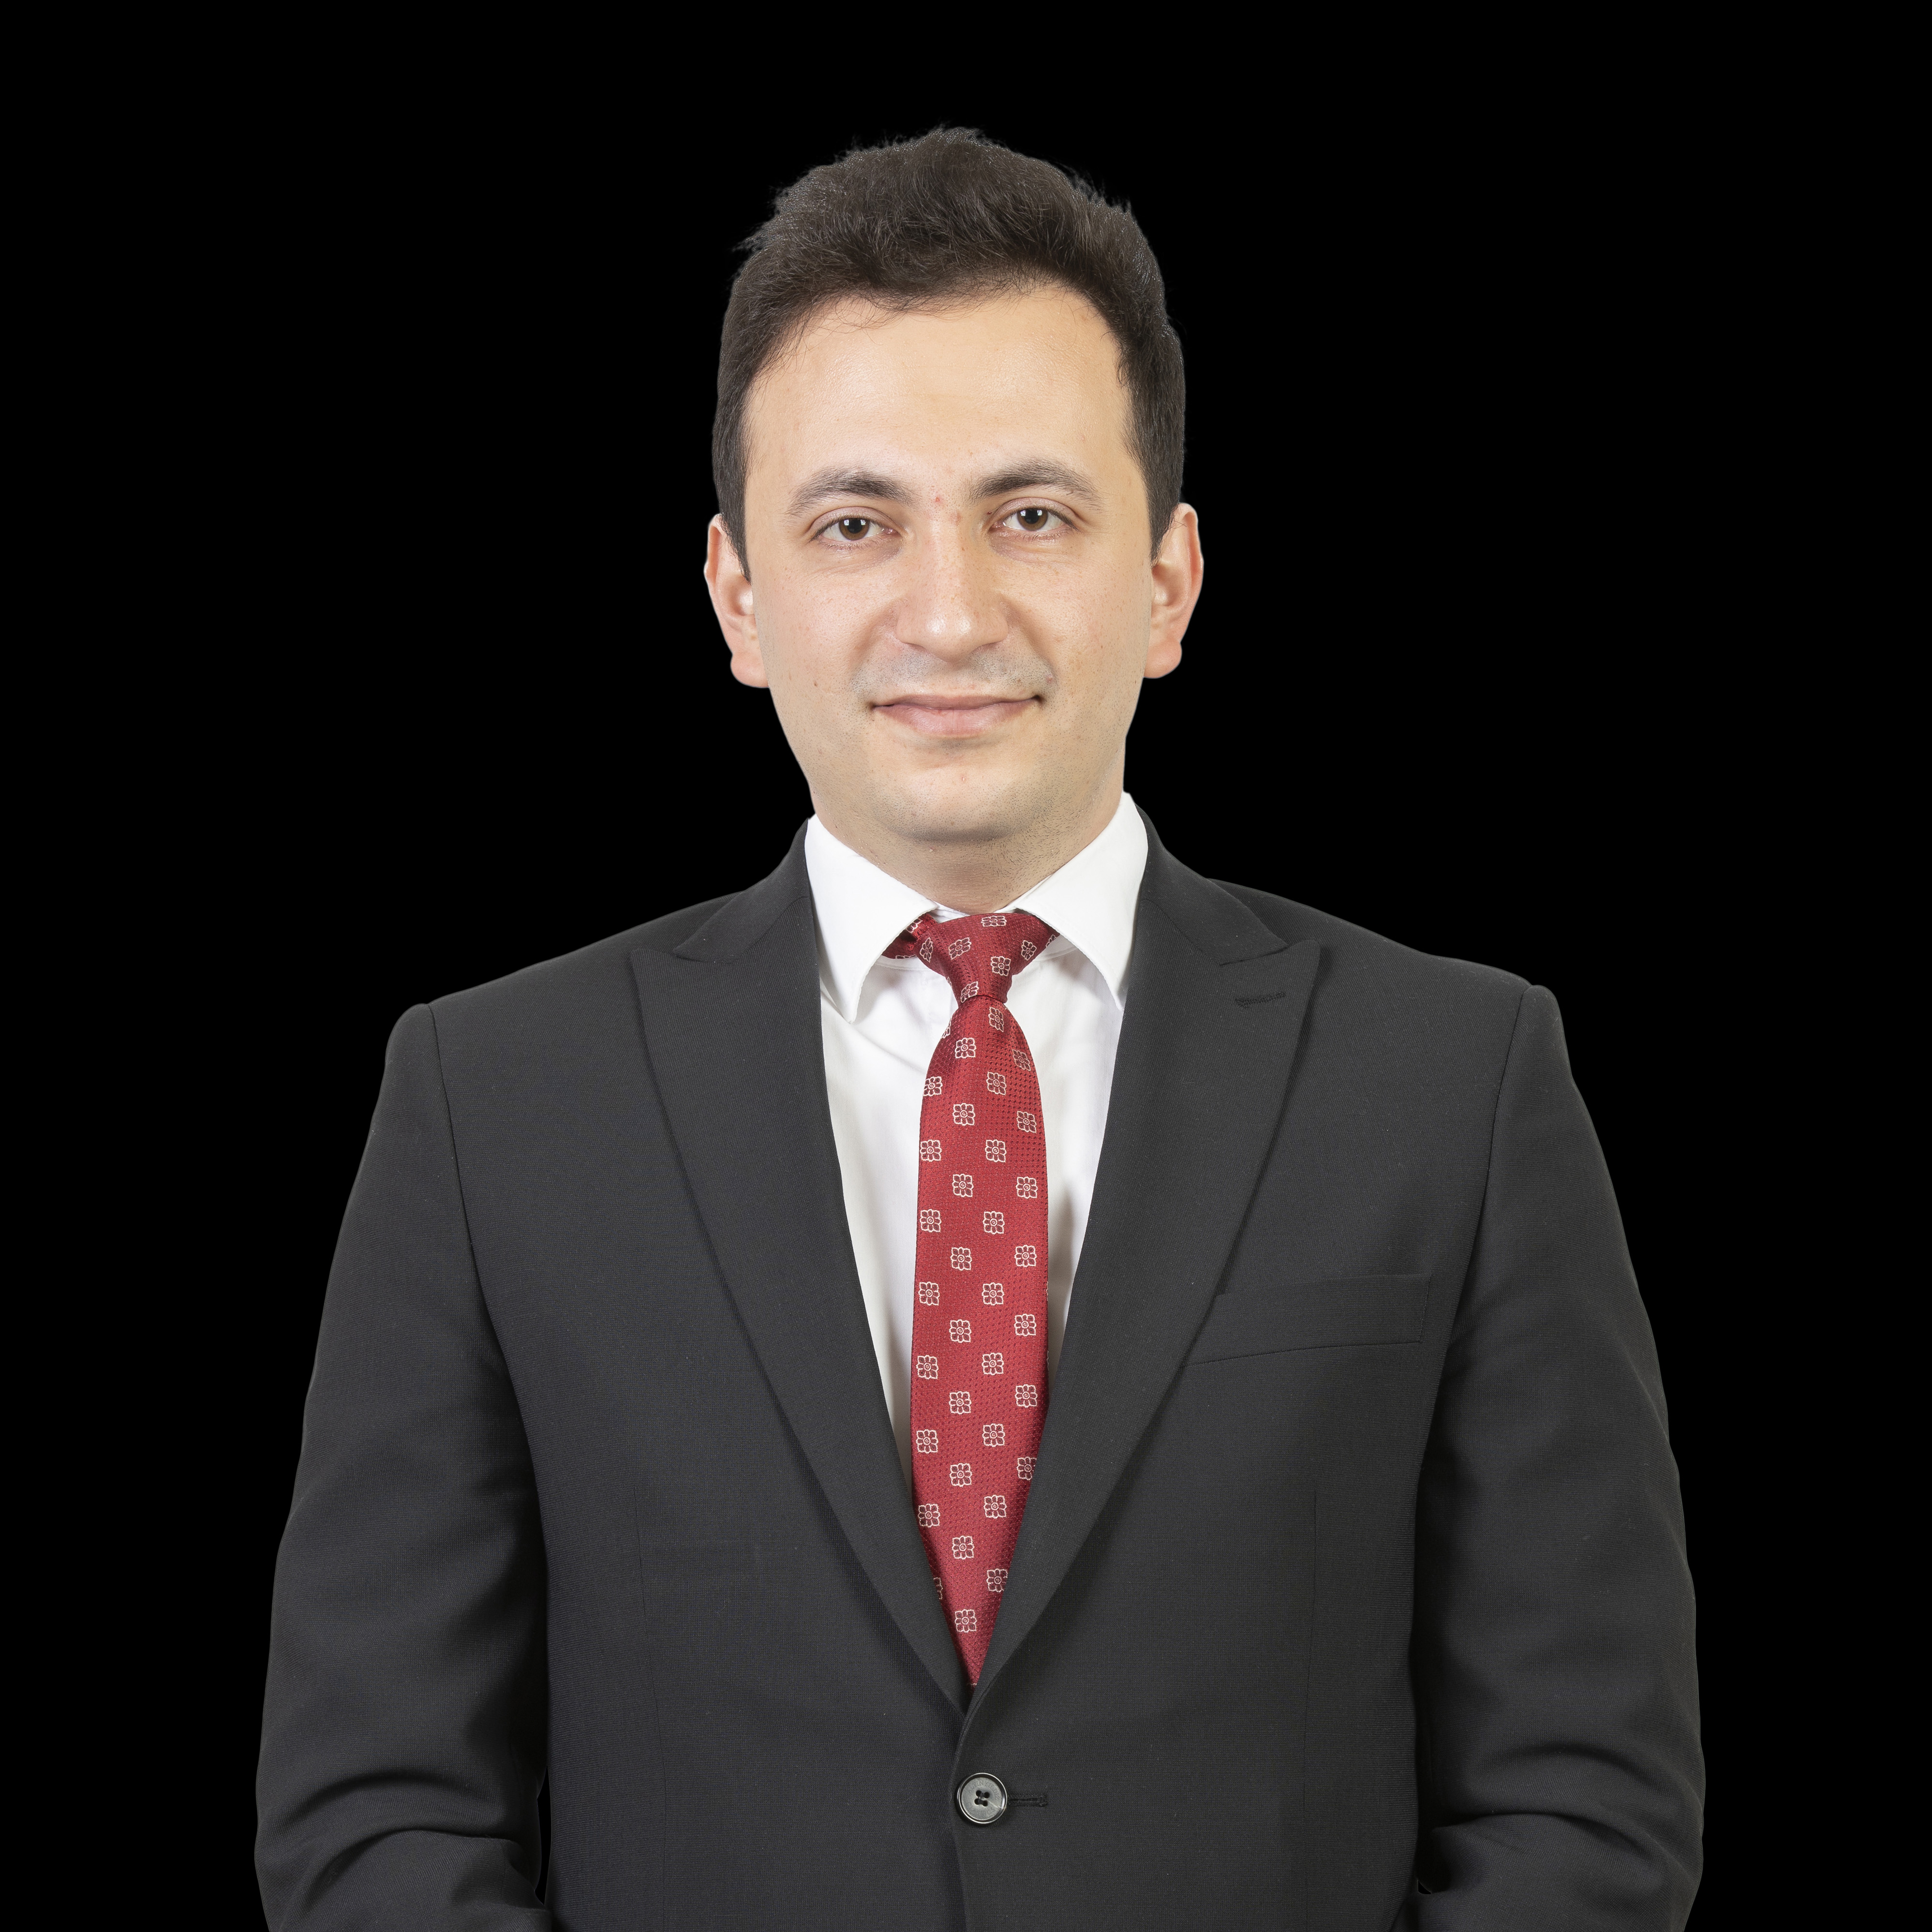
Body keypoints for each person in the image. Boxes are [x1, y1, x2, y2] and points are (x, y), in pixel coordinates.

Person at [256, 128, 1702, 1929]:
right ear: (736, 596)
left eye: (1032, 514)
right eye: (853, 524)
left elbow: (1584, 1794)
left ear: (1167, 581)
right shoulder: (492, 1104)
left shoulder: (1455, 1082)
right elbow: (379, 1810)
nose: (948, 614)